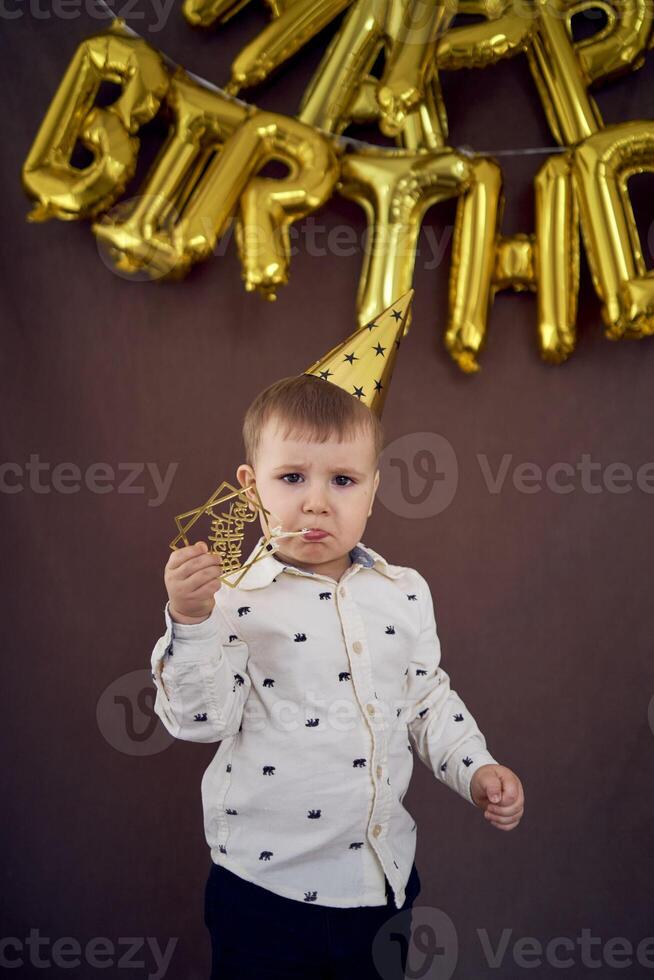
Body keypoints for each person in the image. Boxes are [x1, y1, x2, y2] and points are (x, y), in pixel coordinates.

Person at [150, 294, 525, 978]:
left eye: (342, 480)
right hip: (264, 895)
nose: (316, 501)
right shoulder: (229, 600)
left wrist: (477, 767)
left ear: (374, 492)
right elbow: (199, 723)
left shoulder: (403, 592)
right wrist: (192, 621)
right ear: (251, 488)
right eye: (291, 477)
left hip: (379, 886)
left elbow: (426, 701)